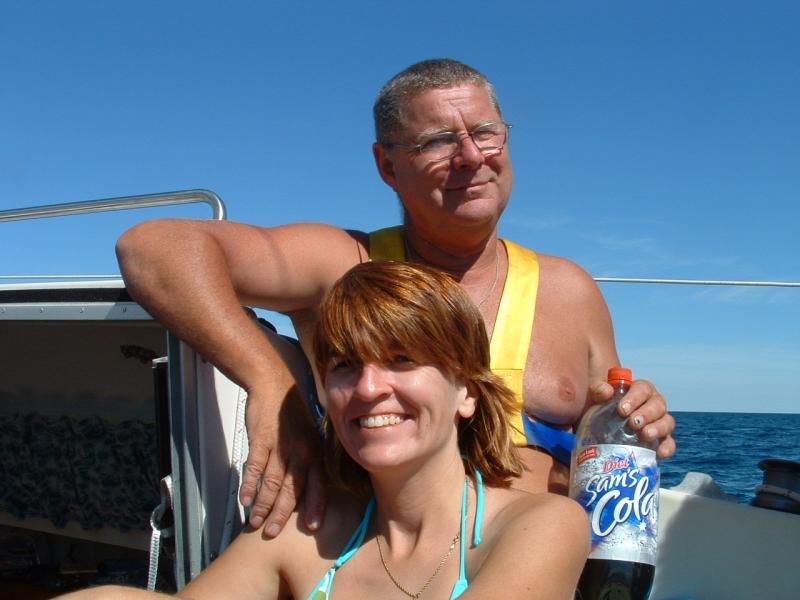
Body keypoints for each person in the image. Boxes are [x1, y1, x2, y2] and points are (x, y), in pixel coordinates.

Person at [116, 58, 676, 538]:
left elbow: (608, 439)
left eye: (485, 132)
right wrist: (272, 383)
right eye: (437, 141)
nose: (470, 156)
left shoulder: (571, 289)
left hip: (540, 570)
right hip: (373, 566)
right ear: (387, 166)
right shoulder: (344, 264)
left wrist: (641, 419)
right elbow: (154, 248)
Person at [59, 261, 590, 600]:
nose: (368, 388)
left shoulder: (541, 525)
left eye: (403, 360)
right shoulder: (305, 529)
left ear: (467, 392)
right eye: (344, 365)